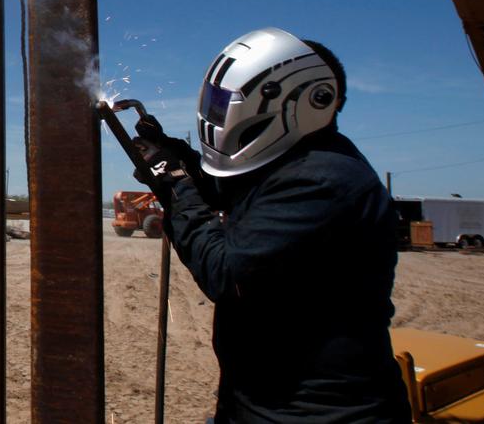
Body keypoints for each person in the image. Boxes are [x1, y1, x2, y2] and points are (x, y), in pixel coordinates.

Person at [131, 27, 411, 423]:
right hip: (266, 402)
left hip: (319, 414)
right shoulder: (295, 163)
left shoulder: (322, 180)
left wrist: (176, 183)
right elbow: (232, 192)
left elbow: (226, 273)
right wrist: (182, 162)